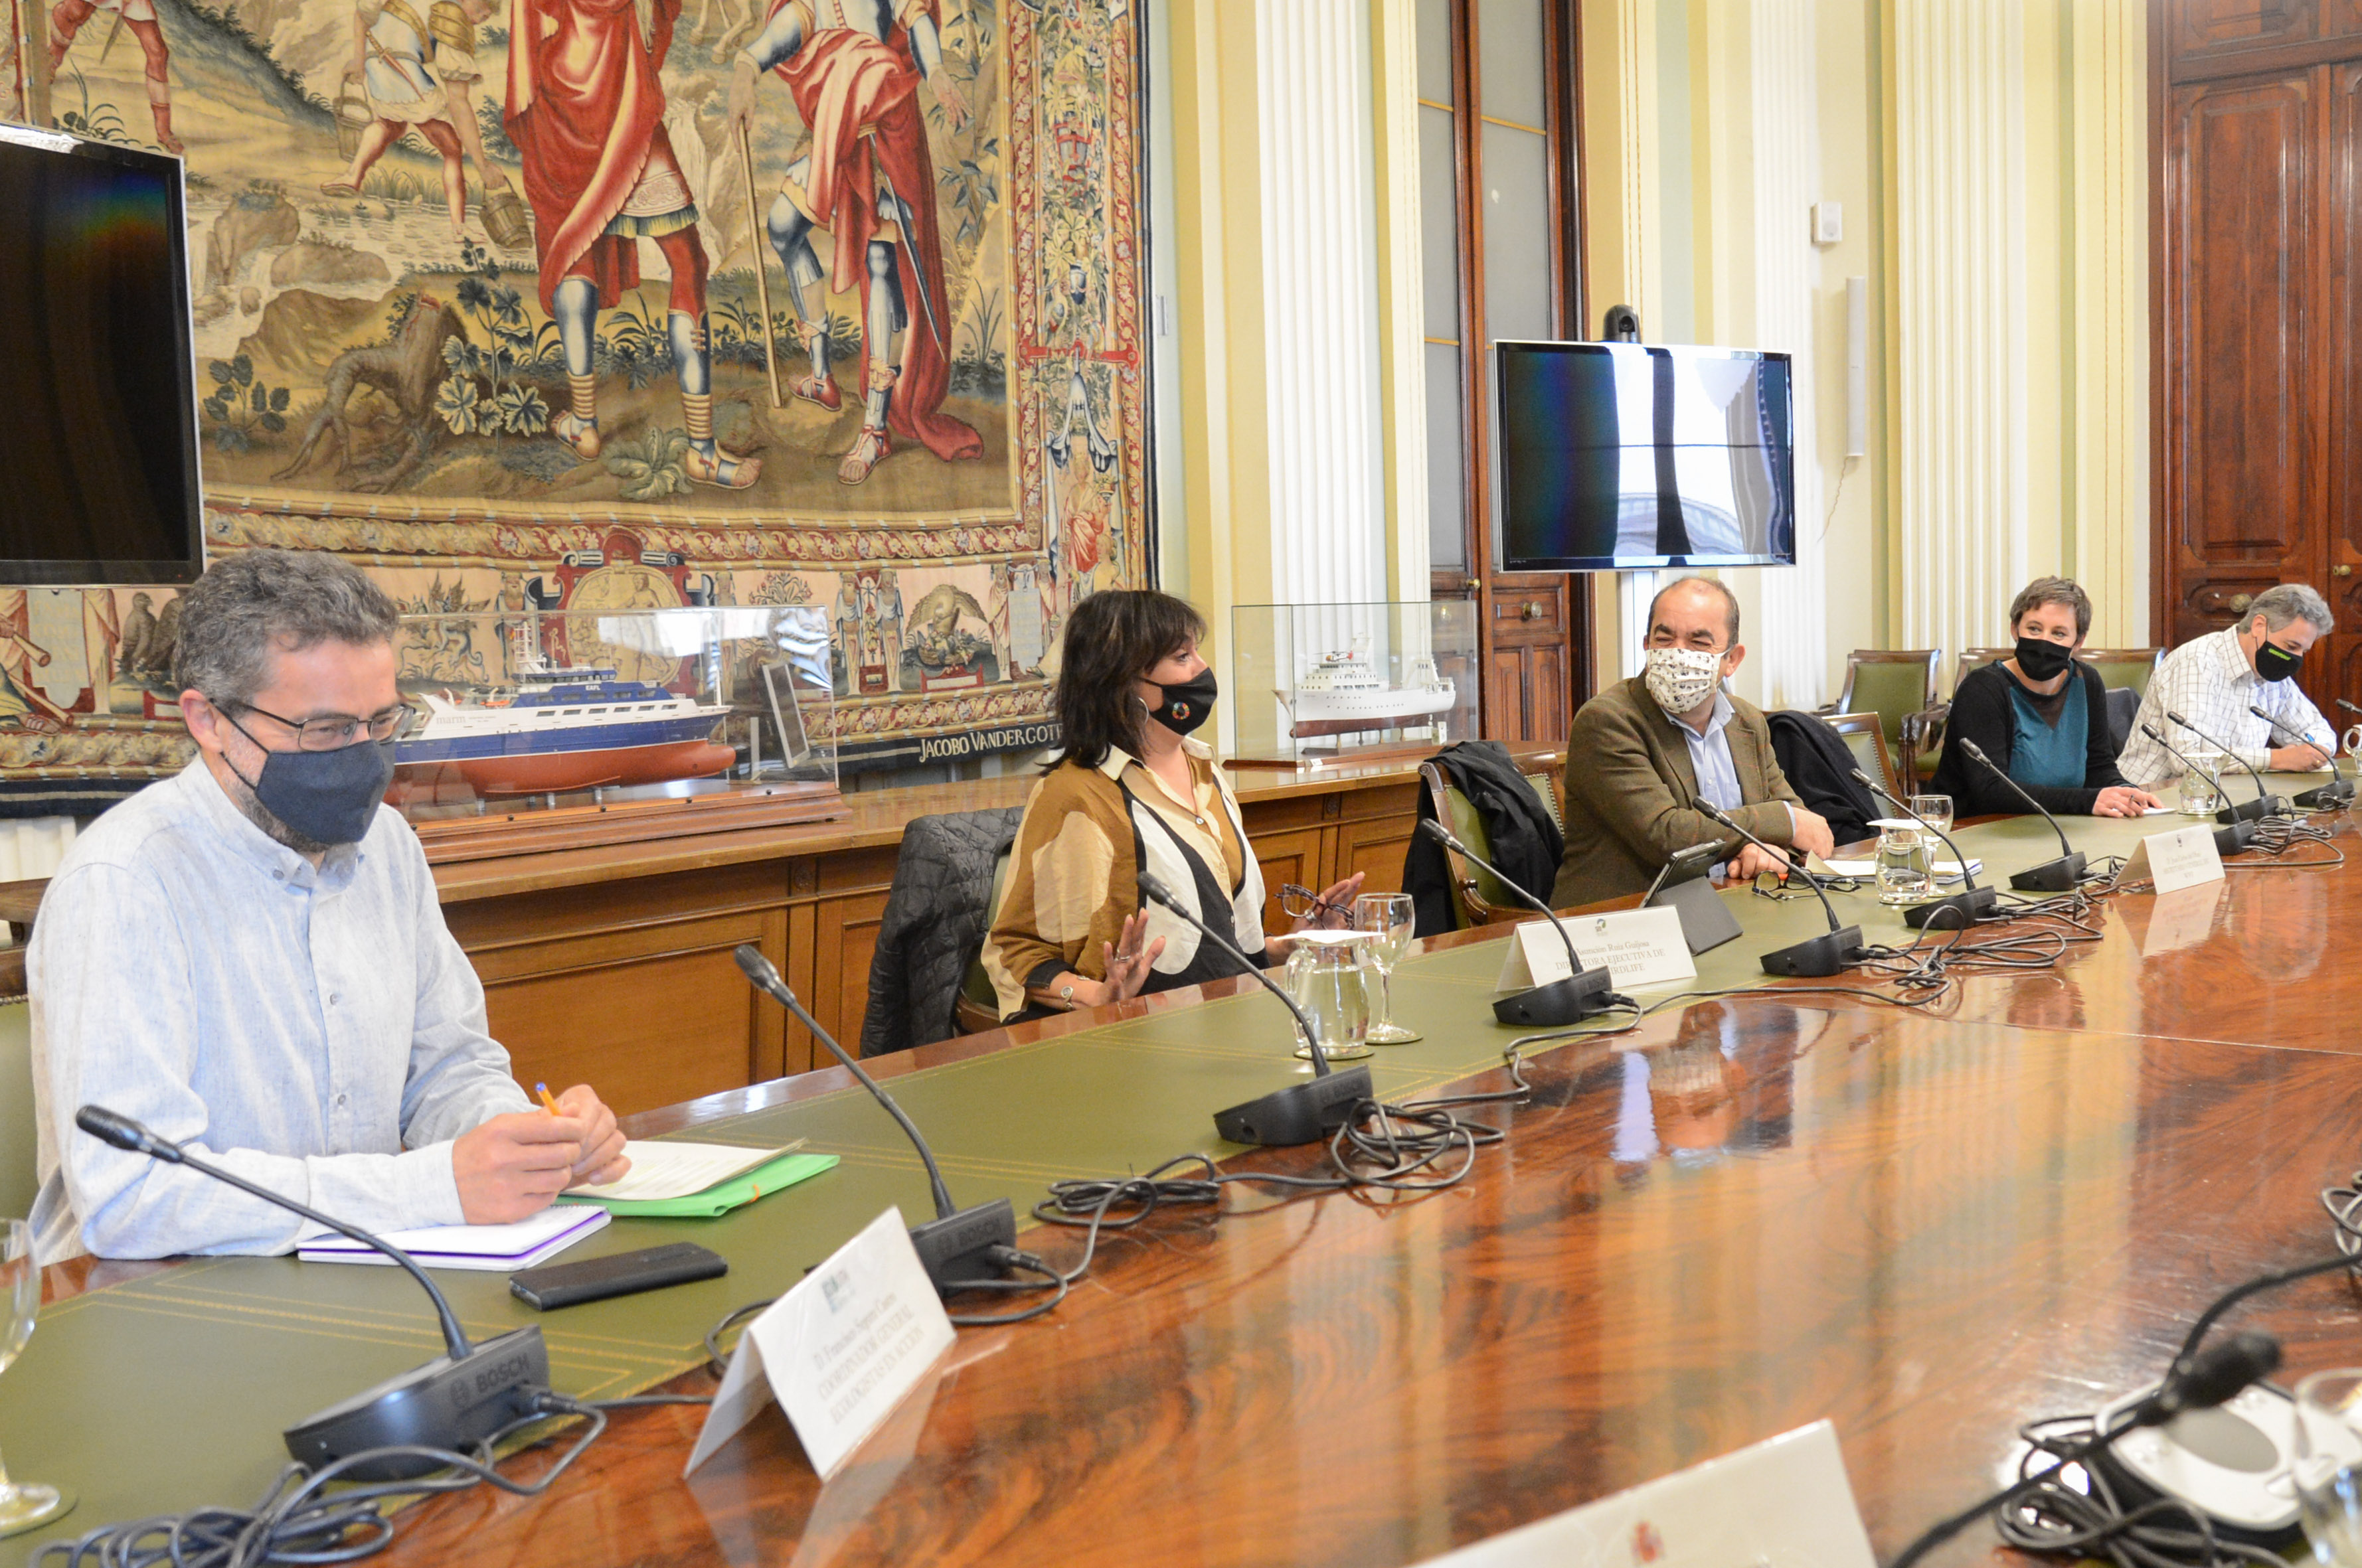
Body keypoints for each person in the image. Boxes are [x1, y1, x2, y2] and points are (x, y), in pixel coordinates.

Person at [27, 550, 628, 1264]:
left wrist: (526, 1142)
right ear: (208, 720)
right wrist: (427, 1188)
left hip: (357, 1272)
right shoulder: (125, 882)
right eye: (326, 731)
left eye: (382, 722)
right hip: (150, 1297)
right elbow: (132, 1196)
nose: (363, 756)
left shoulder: (388, 845)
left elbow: (448, 1071)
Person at [980, 589, 1361, 1020]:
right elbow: (1013, 950)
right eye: (1183, 657)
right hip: (1136, 1037)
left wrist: (1290, 945)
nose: (1202, 669)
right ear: (1124, 681)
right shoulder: (1075, 795)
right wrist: (1093, 995)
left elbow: (1213, 944)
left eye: (1196, 652)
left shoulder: (1206, 772)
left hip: (1233, 1021)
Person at [505, 0, 760, 488]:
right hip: (623, 100)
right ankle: (701, 451)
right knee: (687, 262)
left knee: (577, 251)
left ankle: (584, 424)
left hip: (563, 101)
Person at [727, 0, 983, 485]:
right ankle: (822, 376)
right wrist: (747, 65)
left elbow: (915, 19)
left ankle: (875, 429)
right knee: (783, 228)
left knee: (880, 260)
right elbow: (795, 22)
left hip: (883, 129)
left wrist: (935, 71)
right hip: (832, 131)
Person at [1551, 576, 1835, 910]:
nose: (1678, 653)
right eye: (1664, 639)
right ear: (1646, 645)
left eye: (1699, 642)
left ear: (1732, 660)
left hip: (1728, 908)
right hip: (1622, 919)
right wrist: (1782, 825)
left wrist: (1768, 850)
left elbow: (1804, 826)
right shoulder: (1608, 721)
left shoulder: (1746, 722)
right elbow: (1669, 836)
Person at [1926, 576, 2163, 819]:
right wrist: (2088, 801)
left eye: (2059, 633)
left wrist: (2126, 794)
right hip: (1973, 825)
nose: (2044, 641)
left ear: (2079, 642)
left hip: (2057, 822)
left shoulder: (2086, 681)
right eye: (2034, 629)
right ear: (2014, 629)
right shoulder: (1983, 689)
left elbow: (2099, 767)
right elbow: (1991, 790)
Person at [2116, 583, 2337, 789]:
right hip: (2148, 798)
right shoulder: (2197, 662)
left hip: (2225, 796)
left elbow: (2319, 731)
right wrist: (2277, 758)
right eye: (2291, 646)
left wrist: (2313, 750)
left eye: (2303, 651)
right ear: (2259, 626)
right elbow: (2188, 758)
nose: (2296, 658)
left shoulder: (2272, 676)